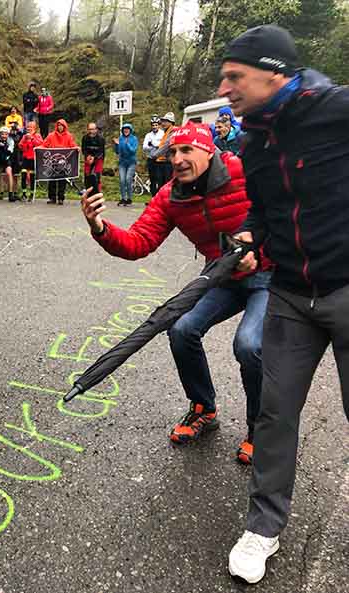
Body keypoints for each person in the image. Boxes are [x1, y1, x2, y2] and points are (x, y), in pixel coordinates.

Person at [217, 24, 349, 584]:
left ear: (274, 74)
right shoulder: (253, 139)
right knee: (274, 413)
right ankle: (263, 527)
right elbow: (264, 215)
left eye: (234, 76)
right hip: (292, 294)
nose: (224, 88)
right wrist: (248, 242)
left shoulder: (336, 110)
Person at [82, 121, 272, 461]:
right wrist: (99, 227)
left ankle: (262, 429)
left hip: (269, 274)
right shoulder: (170, 195)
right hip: (220, 276)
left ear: (208, 150)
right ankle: (203, 408)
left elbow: (286, 211)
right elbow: (139, 242)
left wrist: (259, 251)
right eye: (172, 152)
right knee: (182, 328)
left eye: (186, 150)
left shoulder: (245, 171)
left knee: (249, 345)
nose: (178, 159)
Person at [41, 118, 78, 205]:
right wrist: (38, 149)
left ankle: (61, 198)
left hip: (63, 162)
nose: (60, 127)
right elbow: (44, 145)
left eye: (61, 125)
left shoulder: (69, 136)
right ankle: (52, 198)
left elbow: (72, 145)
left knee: (62, 180)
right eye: (58, 125)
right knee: (52, 180)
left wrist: (77, 148)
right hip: (53, 161)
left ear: (65, 126)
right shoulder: (51, 135)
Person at [148, 111, 176, 186]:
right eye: (163, 121)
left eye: (166, 121)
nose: (163, 123)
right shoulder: (166, 132)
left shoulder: (172, 132)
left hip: (168, 163)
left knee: (165, 185)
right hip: (163, 161)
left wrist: (154, 155)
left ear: (171, 122)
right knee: (161, 184)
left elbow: (165, 146)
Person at [113, 122, 138, 206]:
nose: (126, 130)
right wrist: (116, 145)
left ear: (130, 130)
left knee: (128, 179)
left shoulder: (134, 139)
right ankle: (123, 198)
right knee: (122, 181)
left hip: (131, 162)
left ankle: (129, 198)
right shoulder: (120, 138)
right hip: (122, 163)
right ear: (122, 130)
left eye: (127, 129)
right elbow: (117, 151)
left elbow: (133, 151)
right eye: (124, 129)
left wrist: (127, 144)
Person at [18, 120, 43, 202]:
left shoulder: (37, 135)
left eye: (31, 127)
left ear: (35, 128)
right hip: (25, 158)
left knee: (32, 177)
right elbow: (20, 146)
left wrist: (32, 139)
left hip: (33, 159)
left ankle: (32, 194)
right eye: (28, 127)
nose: (29, 128)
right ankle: (24, 193)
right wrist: (25, 141)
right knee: (23, 174)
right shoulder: (25, 136)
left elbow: (41, 144)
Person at [81, 121, 105, 197]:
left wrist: (94, 158)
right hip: (88, 157)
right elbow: (84, 149)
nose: (91, 131)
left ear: (96, 129)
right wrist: (87, 156)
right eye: (90, 129)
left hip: (98, 158)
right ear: (87, 130)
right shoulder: (85, 137)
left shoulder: (101, 138)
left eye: (93, 129)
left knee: (97, 176)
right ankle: (88, 192)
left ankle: (98, 193)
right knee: (87, 175)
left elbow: (101, 151)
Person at [142, 115, 165, 195]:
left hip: (160, 160)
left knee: (160, 179)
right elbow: (144, 147)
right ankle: (153, 198)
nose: (154, 127)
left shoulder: (163, 133)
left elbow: (162, 146)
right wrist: (154, 146)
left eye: (156, 125)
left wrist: (152, 144)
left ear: (159, 125)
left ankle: (159, 197)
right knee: (152, 180)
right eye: (153, 125)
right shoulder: (148, 135)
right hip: (151, 159)